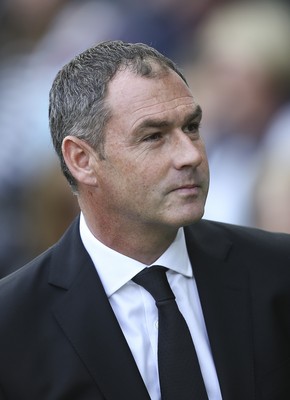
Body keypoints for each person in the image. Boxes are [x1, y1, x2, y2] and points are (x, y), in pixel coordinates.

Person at [0, 40, 289, 400]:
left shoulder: (277, 270)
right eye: (153, 136)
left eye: (193, 127)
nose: (190, 155)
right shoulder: (11, 324)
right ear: (82, 160)